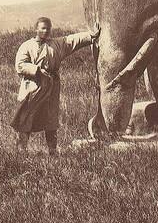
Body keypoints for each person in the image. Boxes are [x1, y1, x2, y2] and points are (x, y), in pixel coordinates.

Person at [12, 16, 97, 153]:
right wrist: (37, 70)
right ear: (36, 29)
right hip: (32, 87)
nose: (46, 31)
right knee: (25, 118)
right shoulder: (27, 46)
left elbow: (72, 40)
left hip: (51, 87)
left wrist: (90, 35)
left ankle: (52, 151)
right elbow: (20, 65)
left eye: (48, 28)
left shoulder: (57, 44)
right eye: (43, 28)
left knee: (51, 119)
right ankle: (21, 150)